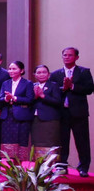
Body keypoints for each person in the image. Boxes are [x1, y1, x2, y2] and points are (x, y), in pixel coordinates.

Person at [50, 47, 94, 177]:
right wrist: (63, 88)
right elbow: (52, 90)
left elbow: (90, 88)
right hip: (62, 112)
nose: (67, 57)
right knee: (62, 141)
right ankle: (62, 166)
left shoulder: (84, 72)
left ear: (76, 57)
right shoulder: (56, 74)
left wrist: (73, 87)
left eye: (70, 55)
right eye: (64, 55)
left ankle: (83, 167)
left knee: (82, 141)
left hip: (79, 113)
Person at [0, 61, 35, 161]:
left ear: (22, 70)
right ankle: (9, 168)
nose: (11, 71)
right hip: (8, 116)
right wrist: (6, 99)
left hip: (21, 116)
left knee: (21, 141)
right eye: (10, 69)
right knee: (8, 141)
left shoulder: (27, 83)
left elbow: (30, 99)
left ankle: (19, 168)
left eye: (14, 69)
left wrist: (14, 98)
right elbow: (0, 98)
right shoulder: (5, 83)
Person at [31, 64, 62, 157]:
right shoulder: (32, 86)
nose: (41, 74)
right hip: (35, 119)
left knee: (50, 143)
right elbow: (28, 101)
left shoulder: (53, 85)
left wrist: (43, 96)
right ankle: (38, 167)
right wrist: (34, 97)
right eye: (39, 72)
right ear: (35, 75)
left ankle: (50, 167)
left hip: (50, 119)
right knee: (37, 143)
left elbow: (58, 101)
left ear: (49, 74)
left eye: (44, 72)